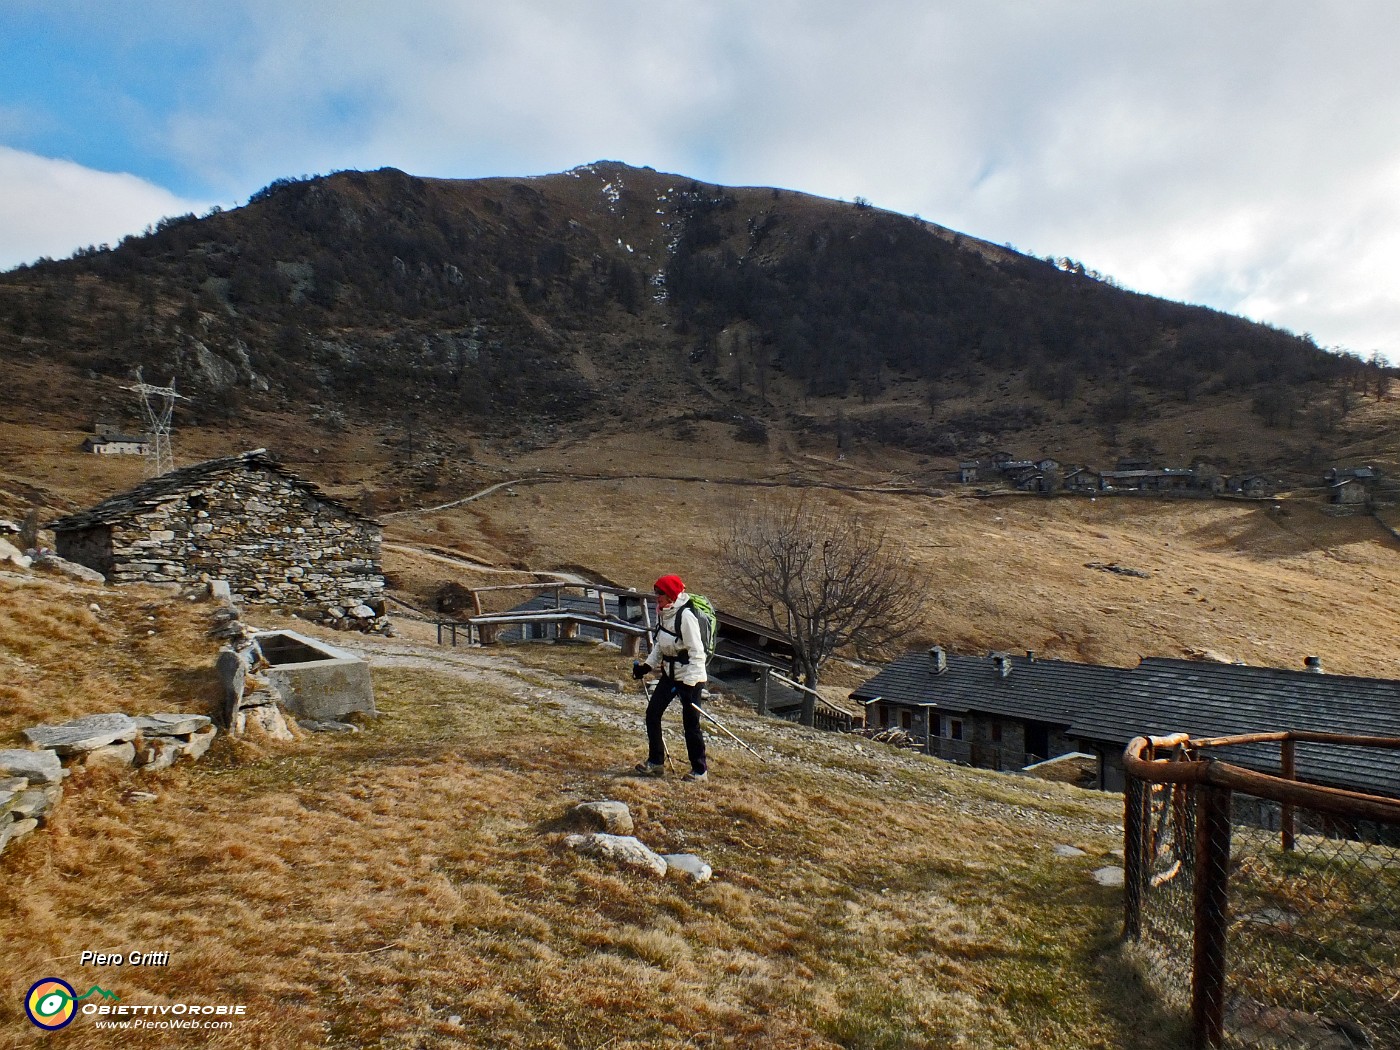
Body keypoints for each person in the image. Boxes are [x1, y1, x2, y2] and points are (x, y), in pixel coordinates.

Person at [632, 574, 708, 782]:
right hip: (670, 674)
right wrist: (647, 666)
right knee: (652, 714)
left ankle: (700, 772)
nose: (657, 598)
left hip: (691, 677)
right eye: (656, 594)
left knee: (690, 724)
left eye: (660, 594)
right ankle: (656, 763)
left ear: (671, 595)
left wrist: (690, 684)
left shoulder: (685, 617)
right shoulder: (664, 613)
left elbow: (697, 652)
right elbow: (661, 644)